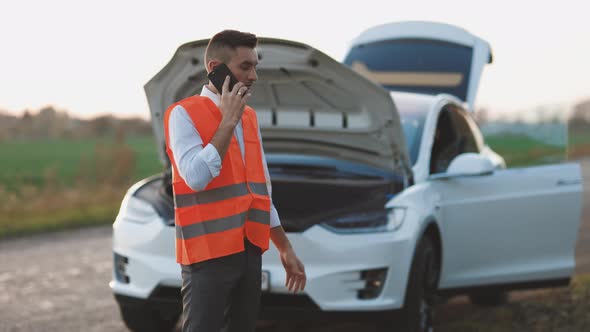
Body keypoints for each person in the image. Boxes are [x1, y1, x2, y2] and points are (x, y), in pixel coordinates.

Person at [163, 30, 306, 332]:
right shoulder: (183, 114)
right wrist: (227, 121)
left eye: (255, 65)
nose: (254, 75)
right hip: (206, 256)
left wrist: (284, 247)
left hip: (249, 252)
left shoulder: (249, 117)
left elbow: (261, 191)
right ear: (216, 68)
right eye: (245, 66)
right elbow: (196, 178)